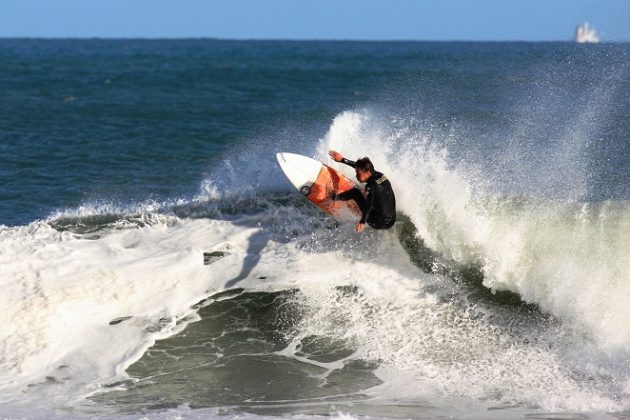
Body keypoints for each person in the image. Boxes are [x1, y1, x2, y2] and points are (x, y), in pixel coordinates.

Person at [328, 150, 396, 233]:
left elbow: (369, 204)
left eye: (358, 173)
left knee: (356, 192)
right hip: (391, 220)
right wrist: (342, 159)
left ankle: (335, 197)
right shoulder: (380, 175)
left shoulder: (371, 186)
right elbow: (359, 167)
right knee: (376, 194)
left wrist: (362, 222)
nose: (356, 175)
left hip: (378, 223)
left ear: (367, 172)